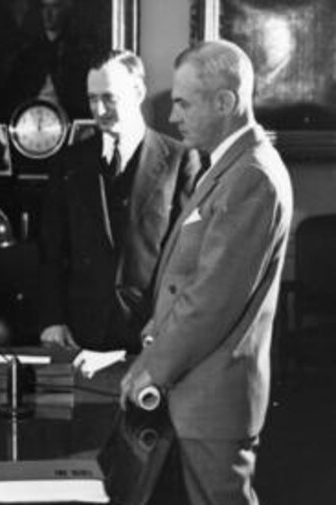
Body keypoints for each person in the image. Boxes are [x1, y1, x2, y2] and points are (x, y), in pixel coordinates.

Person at [120, 40, 293, 505]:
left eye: (183, 103)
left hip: (214, 400)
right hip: (197, 391)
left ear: (225, 102)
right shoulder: (229, 167)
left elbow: (212, 300)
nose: (173, 117)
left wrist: (151, 368)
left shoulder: (250, 176)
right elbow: (192, 279)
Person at [38, 49, 199, 352]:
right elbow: (51, 249)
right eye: (92, 98)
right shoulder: (68, 163)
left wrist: (167, 324)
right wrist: (52, 320)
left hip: (150, 331)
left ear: (138, 92)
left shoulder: (181, 159)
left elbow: (186, 256)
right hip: (80, 332)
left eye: (109, 98)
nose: (99, 110)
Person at [0, 0, 95, 122]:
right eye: (44, 7)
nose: (48, 14)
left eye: (54, 7)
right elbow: (10, 99)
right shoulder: (27, 55)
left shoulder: (80, 53)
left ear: (66, 10)